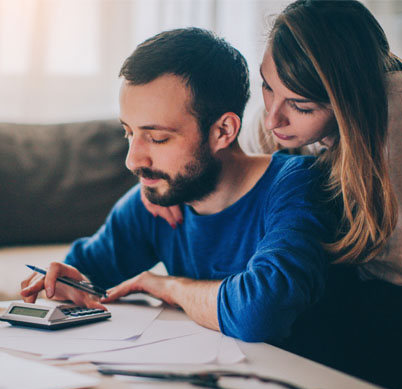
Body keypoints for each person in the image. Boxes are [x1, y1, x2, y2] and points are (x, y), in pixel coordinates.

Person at [141, 1, 402, 389]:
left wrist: (278, 277)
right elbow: (230, 168)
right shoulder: (279, 117)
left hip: (400, 298)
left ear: (349, 102)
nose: (272, 118)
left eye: (301, 106)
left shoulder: (397, 99)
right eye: (267, 85)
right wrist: (164, 180)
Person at [21, 28, 334, 350]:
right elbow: (87, 274)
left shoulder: (297, 186)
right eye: (129, 132)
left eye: (157, 138)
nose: (132, 160)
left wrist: (168, 287)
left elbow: (260, 313)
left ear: (223, 131)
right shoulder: (157, 199)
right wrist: (63, 279)